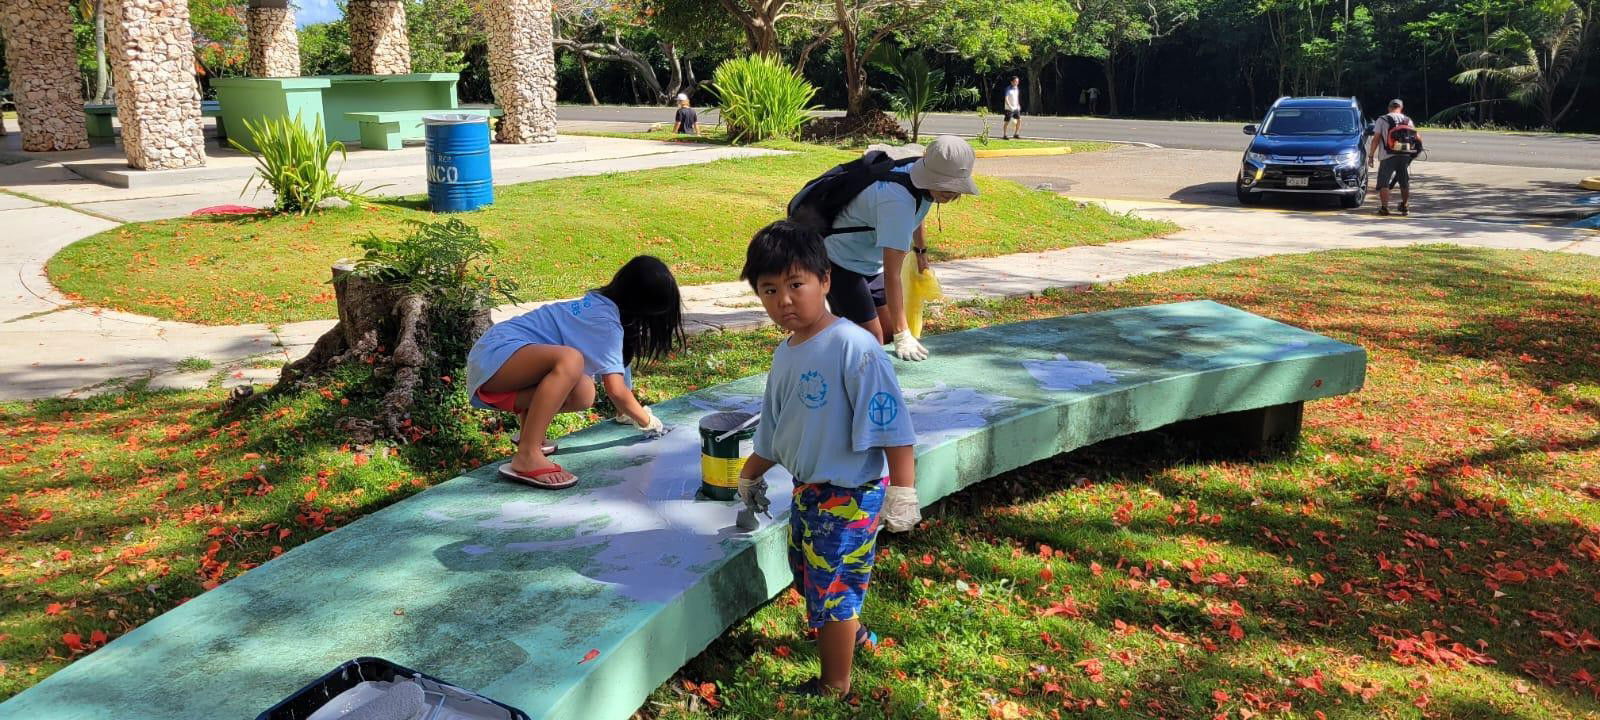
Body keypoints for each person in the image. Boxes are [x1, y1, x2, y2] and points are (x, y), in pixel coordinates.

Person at [735, 220, 921, 698]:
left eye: (796, 285)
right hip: (808, 491)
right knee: (807, 573)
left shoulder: (854, 348)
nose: (784, 301)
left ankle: (835, 682)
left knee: (834, 590)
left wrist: (903, 490)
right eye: (769, 290)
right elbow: (776, 426)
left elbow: (892, 425)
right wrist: (751, 473)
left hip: (851, 495)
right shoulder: (787, 351)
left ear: (826, 281)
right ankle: (851, 632)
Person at [466, 256, 684, 489]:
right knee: (571, 359)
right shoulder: (605, 322)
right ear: (644, 307)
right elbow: (616, 390)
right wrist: (650, 423)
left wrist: (627, 413)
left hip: (502, 362)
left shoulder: (605, 310)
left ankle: (530, 437)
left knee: (583, 391)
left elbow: (618, 368)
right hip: (496, 354)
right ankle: (527, 455)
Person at [824, 135, 979, 361]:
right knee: (872, 341)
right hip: (838, 260)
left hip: (867, 261)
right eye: (946, 189)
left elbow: (918, 212)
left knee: (885, 334)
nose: (953, 194)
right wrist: (903, 334)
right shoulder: (897, 202)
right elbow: (892, 275)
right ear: (931, 177)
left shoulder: (918, 176)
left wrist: (921, 252)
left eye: (956, 189)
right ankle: (835, 374)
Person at [1368, 98, 1415, 216]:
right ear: (1401, 108)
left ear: (1389, 108)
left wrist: (1371, 155)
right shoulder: (1407, 120)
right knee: (1404, 181)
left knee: (1384, 182)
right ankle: (1404, 206)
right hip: (1404, 155)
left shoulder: (1382, 119)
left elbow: (1376, 139)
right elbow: (1414, 137)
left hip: (1387, 155)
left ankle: (1385, 208)